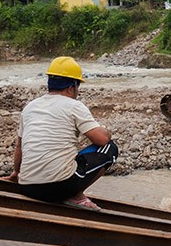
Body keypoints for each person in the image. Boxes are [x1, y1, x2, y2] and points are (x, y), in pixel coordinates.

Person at [7, 56, 118, 211]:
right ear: (71, 87)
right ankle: (77, 196)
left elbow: (19, 147)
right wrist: (106, 132)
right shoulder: (74, 106)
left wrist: (16, 173)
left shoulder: (30, 107)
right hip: (60, 188)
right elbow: (102, 139)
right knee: (110, 148)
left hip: (27, 187)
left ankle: (70, 190)